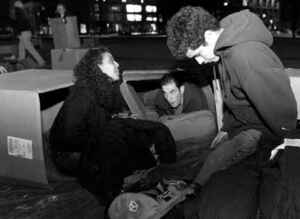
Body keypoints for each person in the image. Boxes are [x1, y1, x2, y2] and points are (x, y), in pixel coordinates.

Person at [166, 6, 297, 219]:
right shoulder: (224, 48)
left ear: (208, 35)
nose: (199, 61)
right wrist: (226, 128)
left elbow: (285, 112)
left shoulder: (245, 56)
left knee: (213, 175)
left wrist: (279, 143)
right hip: (241, 127)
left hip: (262, 134)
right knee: (206, 158)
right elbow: (233, 98)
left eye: (198, 54)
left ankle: (192, 193)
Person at [49, 47, 177, 204]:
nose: (117, 64)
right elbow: (66, 138)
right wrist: (103, 138)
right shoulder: (82, 96)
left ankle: (158, 171)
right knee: (114, 139)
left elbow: (105, 121)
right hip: (70, 153)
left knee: (150, 128)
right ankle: (117, 195)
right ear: (98, 68)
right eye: (111, 61)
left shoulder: (104, 89)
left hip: (95, 137)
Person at [9, 0, 46, 67]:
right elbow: (28, 23)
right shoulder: (24, 12)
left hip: (23, 33)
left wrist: (18, 33)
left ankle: (41, 61)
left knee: (29, 48)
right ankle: (21, 61)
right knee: (21, 48)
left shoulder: (18, 13)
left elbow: (19, 24)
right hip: (27, 32)